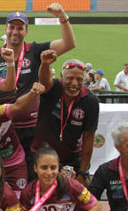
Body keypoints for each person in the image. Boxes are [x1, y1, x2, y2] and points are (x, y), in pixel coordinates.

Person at [0, 4, 76, 168]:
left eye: (20, 28)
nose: (15, 31)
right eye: (12, 27)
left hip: (30, 127)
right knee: (2, 170)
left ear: (26, 31)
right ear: (5, 29)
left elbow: (69, 44)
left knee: (30, 170)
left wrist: (62, 17)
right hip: (3, 125)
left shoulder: (36, 51)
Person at [32, 51, 99, 185]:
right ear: (62, 76)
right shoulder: (53, 88)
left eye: (79, 79)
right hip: (43, 155)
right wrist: (45, 64)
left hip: (71, 158)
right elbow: (44, 81)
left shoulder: (90, 101)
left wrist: (83, 172)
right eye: (69, 78)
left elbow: (89, 138)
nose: (74, 84)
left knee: (82, 192)